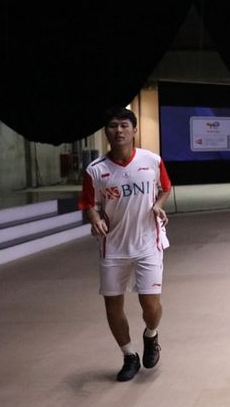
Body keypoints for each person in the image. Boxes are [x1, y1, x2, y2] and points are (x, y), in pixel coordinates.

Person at [78, 109, 171, 382]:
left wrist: (157, 206)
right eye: (112, 126)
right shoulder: (96, 170)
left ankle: (151, 335)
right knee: (113, 307)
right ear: (106, 132)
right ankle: (129, 355)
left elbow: (165, 187)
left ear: (134, 130)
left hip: (148, 242)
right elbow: (89, 205)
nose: (118, 130)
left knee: (150, 305)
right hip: (113, 246)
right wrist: (95, 219)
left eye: (123, 125)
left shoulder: (151, 161)